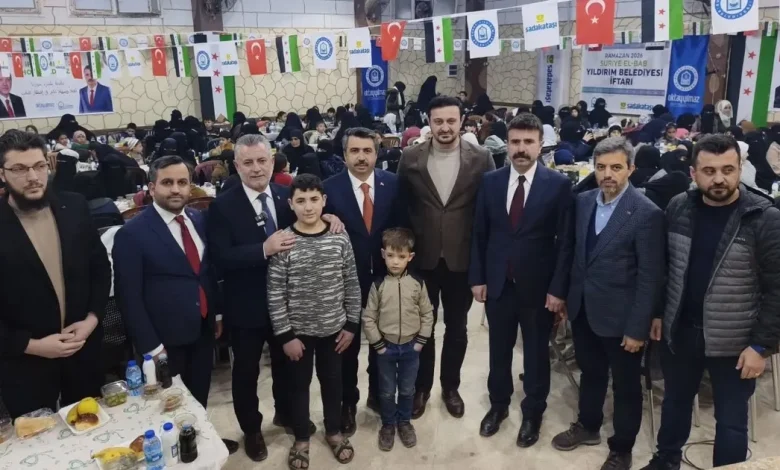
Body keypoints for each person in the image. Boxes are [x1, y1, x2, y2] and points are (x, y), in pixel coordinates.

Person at [641, 134, 780, 470]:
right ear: (694, 173)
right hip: (682, 332)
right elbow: (666, 268)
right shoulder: (679, 207)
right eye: (709, 171)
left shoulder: (764, 217)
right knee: (675, 405)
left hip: (736, 341)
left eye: (728, 170)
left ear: (740, 168)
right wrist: (658, 312)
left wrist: (761, 346)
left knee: (731, 421)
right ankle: (666, 461)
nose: (719, 178)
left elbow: (778, 289)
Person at [207, 135, 342, 460]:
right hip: (247, 304)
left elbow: (307, 219)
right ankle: (252, 430)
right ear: (236, 166)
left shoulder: (285, 196)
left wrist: (328, 218)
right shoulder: (222, 205)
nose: (256, 168)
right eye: (248, 162)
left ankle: (287, 414)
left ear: (272, 161)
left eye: (262, 160)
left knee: (287, 367)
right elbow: (219, 257)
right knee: (246, 372)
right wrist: (262, 250)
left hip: (288, 305)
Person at [551, 137, 665, 470]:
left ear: (631, 168)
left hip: (622, 317)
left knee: (626, 386)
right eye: (601, 167)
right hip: (584, 308)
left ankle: (622, 447)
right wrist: (566, 296)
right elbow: (573, 253)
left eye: (616, 167)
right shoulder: (584, 201)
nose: (607, 174)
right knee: (591, 372)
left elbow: (650, 276)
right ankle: (588, 425)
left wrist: (637, 328)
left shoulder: (646, 213)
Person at [470, 113, 574, 447]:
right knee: (498, 349)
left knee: (536, 353)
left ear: (541, 145)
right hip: (499, 283)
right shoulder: (491, 182)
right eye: (515, 141)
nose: (521, 149)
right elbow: (479, 233)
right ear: (507, 143)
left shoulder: (558, 185)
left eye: (529, 142)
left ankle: (533, 411)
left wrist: (558, 289)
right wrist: (478, 277)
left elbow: (565, 242)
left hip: (539, 287)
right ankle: (498, 405)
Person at [0, 130, 110, 418]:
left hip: (82, 349)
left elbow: (100, 268)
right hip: (24, 363)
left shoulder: (73, 206)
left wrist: (92, 319)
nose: (33, 177)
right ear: (2, 174)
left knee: (90, 428)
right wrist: (31, 346)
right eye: (19, 169)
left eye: (39, 166)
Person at [397, 95, 495, 419]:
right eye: (438, 121)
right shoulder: (410, 157)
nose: (445, 127)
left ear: (461, 121)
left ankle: (450, 387)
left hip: (461, 260)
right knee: (422, 329)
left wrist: (483, 266)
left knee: (457, 328)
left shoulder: (481, 158)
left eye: (451, 121)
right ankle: (421, 388)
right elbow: (401, 206)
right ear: (429, 122)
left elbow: (488, 213)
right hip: (421, 260)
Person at [112, 155, 220, 407]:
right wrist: (151, 347)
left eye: (182, 182)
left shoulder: (198, 219)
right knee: (169, 409)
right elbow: (128, 298)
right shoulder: (132, 234)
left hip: (202, 330)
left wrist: (216, 315)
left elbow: (206, 272)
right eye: (167, 182)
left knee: (199, 401)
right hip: (164, 341)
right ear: (152, 188)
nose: (176, 189)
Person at [268, 174, 359, 469]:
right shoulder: (284, 241)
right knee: (298, 386)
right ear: (290, 204)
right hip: (298, 335)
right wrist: (285, 335)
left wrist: (351, 324)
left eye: (314, 199)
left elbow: (351, 282)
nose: (308, 207)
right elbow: (275, 293)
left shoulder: (339, 237)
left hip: (334, 330)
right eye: (301, 201)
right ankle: (301, 438)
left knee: (333, 383)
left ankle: (333, 431)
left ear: (324, 201)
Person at [323, 127, 404, 434]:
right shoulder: (328, 189)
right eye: (354, 151)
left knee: (381, 342)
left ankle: (378, 394)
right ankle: (348, 403)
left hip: (385, 278)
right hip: (344, 282)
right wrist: (325, 217)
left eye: (367, 151)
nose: (361, 157)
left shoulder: (393, 183)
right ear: (344, 155)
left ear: (376, 153)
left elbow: (403, 227)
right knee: (347, 345)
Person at [363, 228, 434, 451]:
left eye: (401, 256)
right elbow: (369, 317)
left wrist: (421, 341)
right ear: (383, 254)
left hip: (412, 348)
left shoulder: (418, 283)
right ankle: (388, 424)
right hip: (386, 348)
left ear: (410, 257)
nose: (395, 261)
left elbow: (427, 313)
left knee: (407, 390)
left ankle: (404, 422)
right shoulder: (378, 285)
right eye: (391, 255)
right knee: (386, 391)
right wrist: (378, 345)